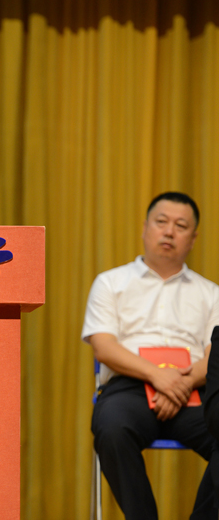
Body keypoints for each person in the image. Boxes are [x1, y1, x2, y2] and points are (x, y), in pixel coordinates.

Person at [82, 191, 219, 519]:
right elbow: (104, 346)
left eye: (181, 226)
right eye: (161, 222)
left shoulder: (211, 293)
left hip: (193, 392)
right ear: (145, 228)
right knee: (111, 428)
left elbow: (214, 355)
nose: (169, 231)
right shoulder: (111, 282)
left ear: (193, 238)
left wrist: (179, 384)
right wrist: (159, 376)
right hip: (129, 389)